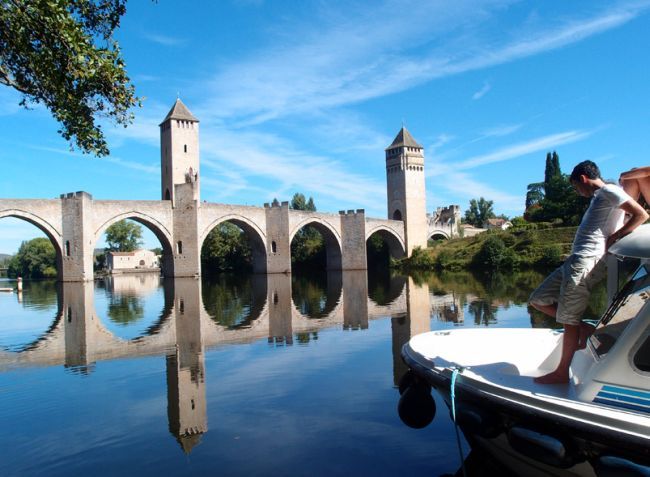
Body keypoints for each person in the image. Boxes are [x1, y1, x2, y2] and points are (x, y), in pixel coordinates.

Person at [529, 160, 648, 384]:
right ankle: (587, 329)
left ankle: (562, 372)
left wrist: (616, 236)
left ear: (583, 179)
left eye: (576, 187)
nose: (578, 192)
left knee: (569, 319)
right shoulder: (601, 197)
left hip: (586, 261)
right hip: (573, 261)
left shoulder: (609, 191)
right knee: (538, 299)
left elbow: (641, 214)